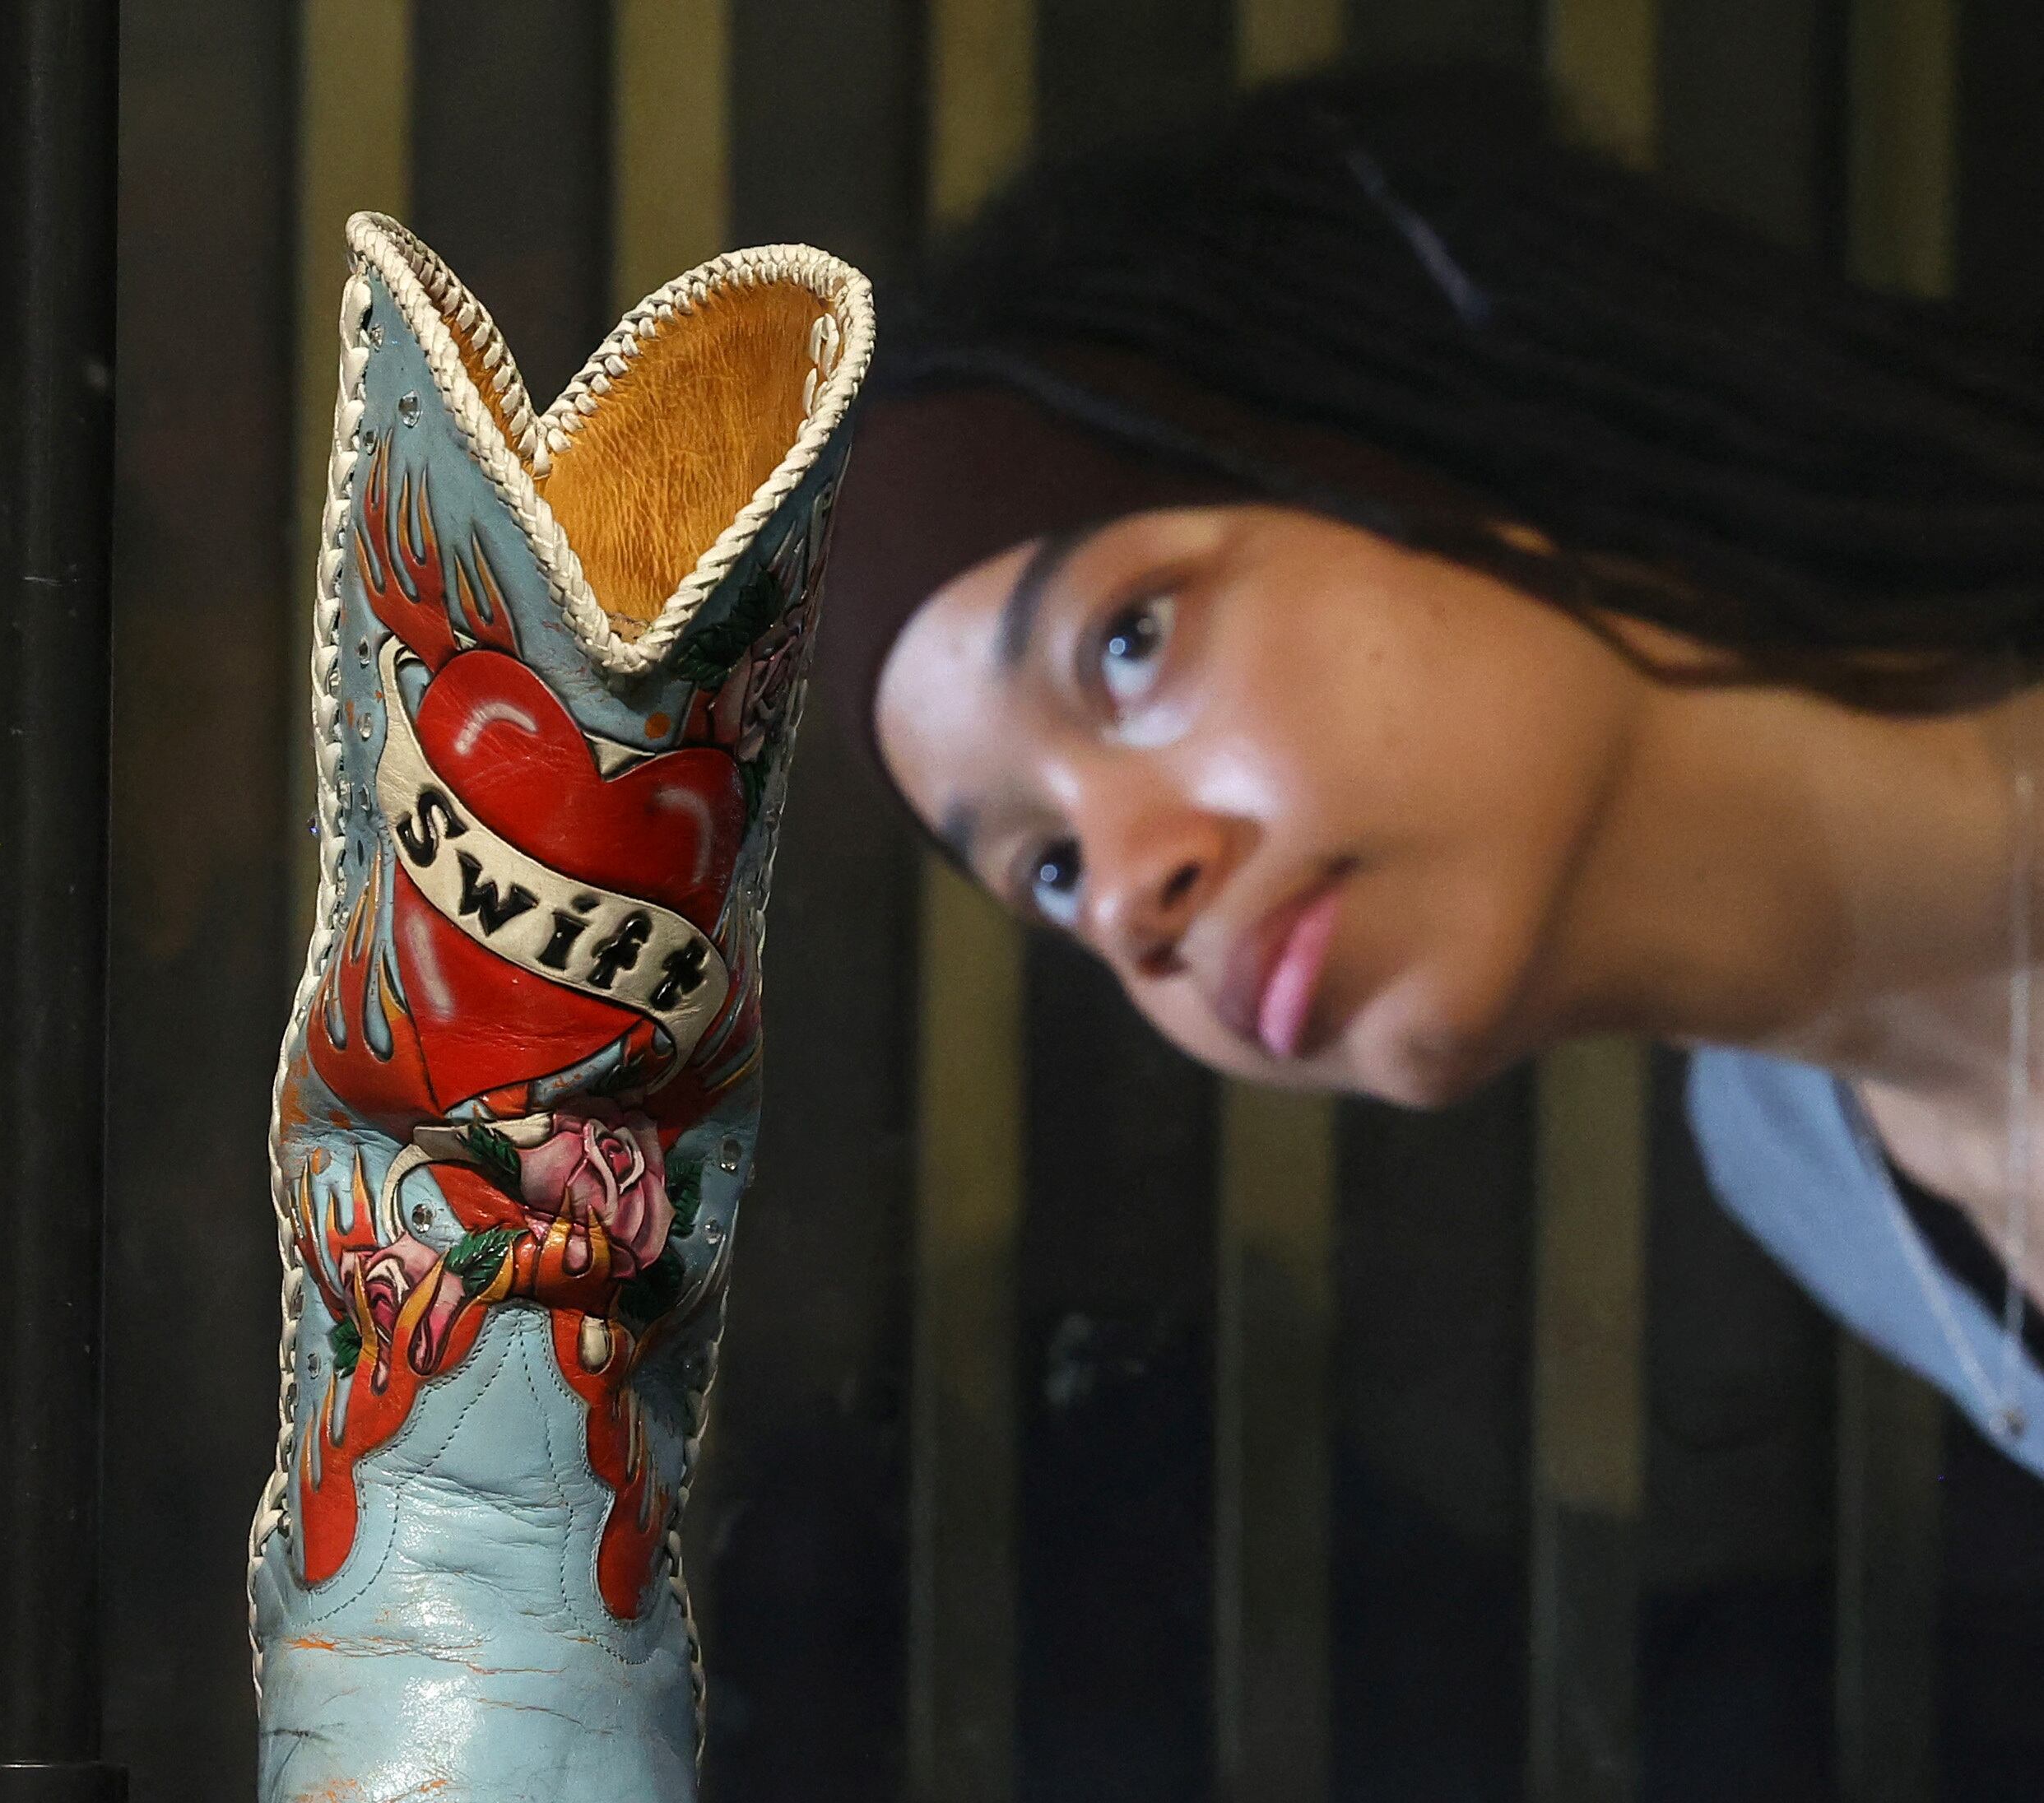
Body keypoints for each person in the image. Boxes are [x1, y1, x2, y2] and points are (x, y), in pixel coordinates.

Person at [830, 63, 2044, 1496]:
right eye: (1047, 871)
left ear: (1440, 442)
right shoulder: (1800, 1175)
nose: (1127, 897)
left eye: (1131, 642)